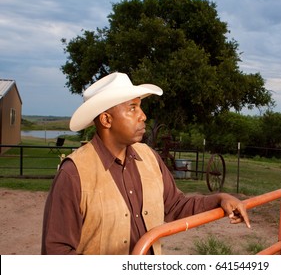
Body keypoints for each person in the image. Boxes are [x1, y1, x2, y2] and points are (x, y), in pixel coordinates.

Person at [41, 72, 250, 255]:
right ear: (106, 120)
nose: (143, 116)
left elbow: (176, 206)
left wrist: (220, 199)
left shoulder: (149, 157)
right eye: (132, 108)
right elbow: (57, 252)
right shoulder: (74, 173)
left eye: (140, 107)